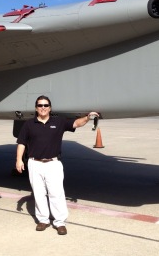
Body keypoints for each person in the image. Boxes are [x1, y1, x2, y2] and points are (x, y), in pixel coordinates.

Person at [16, 95, 99, 235]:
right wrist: (19, 160)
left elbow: (76, 124)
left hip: (53, 164)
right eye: (40, 105)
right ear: (36, 108)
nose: (43, 108)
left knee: (56, 194)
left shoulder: (58, 122)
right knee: (39, 193)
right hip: (34, 164)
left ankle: (59, 222)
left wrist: (88, 117)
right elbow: (21, 142)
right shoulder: (29, 124)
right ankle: (43, 220)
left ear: (50, 108)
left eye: (46, 105)